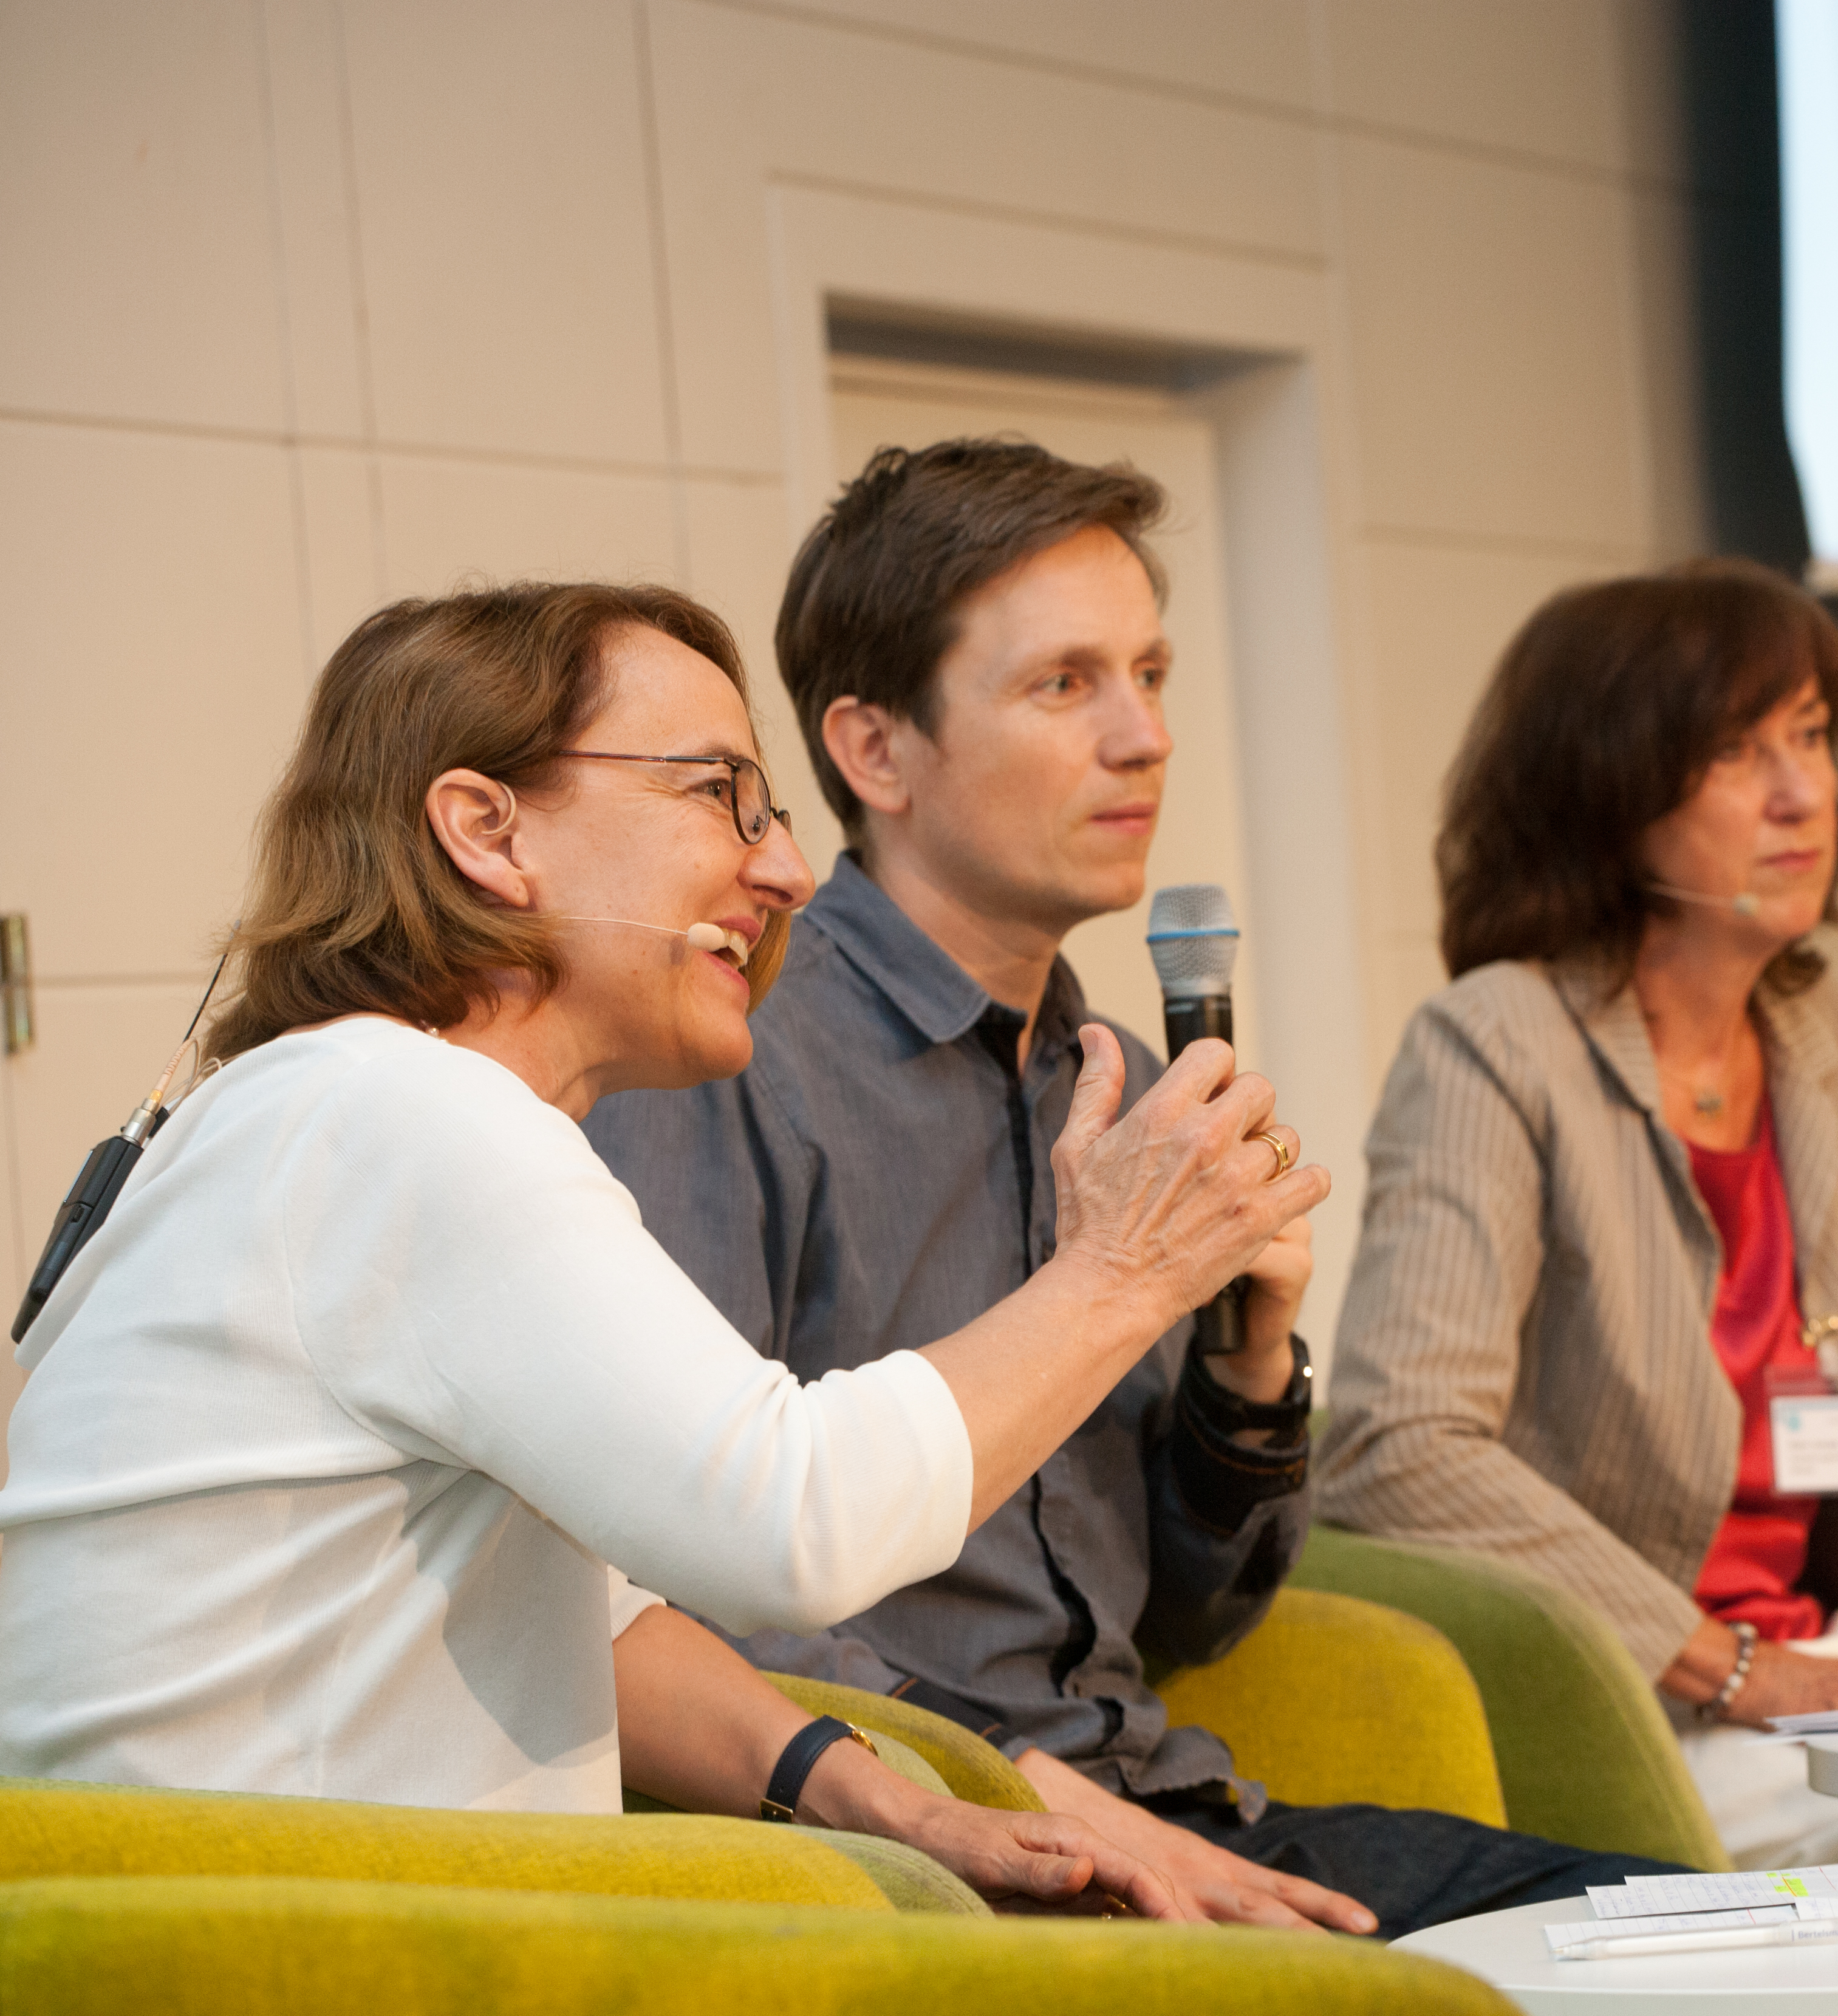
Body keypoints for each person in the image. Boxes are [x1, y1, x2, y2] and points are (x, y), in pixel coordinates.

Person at [0, 580, 1336, 1918]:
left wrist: (876, 1790)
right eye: (718, 795)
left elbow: (596, 1613)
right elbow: (796, 1516)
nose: (789, 871)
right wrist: (1124, 1272)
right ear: (486, 829)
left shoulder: (323, 1108)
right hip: (281, 1954)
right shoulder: (406, 1117)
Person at [586, 439, 1678, 1942]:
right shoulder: (733, 1051)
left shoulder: (1104, 1068)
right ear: (874, 748)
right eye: (1065, 685)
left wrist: (1245, 1360)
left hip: (1161, 1797)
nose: (1144, 734)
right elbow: (676, 1567)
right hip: (920, 1853)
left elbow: (1185, 1616)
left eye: (1152, 674)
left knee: (1698, 1934)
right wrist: (1000, 1781)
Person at [1316, 559, 1838, 1871]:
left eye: (1808, 737)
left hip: (1833, 1665)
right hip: (1633, 1696)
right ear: (1607, 794)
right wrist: (1725, 1662)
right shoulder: (1496, 1042)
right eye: (1738, 751)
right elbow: (1400, 1442)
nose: (1802, 791)